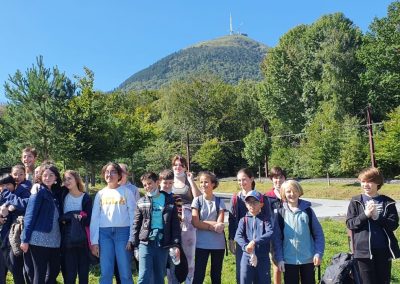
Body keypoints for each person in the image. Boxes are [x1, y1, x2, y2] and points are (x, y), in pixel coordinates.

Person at [346, 167, 400, 284]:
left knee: (383, 281)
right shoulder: (356, 201)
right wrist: (365, 215)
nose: (366, 184)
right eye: (363, 181)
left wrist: (377, 217)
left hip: (383, 250)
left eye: (369, 181)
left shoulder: (387, 202)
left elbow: (393, 225)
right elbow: (350, 223)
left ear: (378, 182)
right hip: (362, 252)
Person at [89, 162, 135, 284]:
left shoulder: (126, 192)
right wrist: (94, 241)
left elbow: (133, 217)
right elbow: (95, 218)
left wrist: (131, 238)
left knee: (125, 272)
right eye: (107, 172)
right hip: (104, 235)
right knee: (106, 272)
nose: (109, 174)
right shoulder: (100, 194)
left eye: (113, 172)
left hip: (123, 234)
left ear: (119, 175)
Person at [132, 172, 181, 284]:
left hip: (162, 243)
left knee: (159, 276)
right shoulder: (141, 202)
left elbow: (175, 226)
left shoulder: (169, 201)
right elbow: (136, 225)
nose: (147, 187)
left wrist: (175, 244)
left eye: (150, 183)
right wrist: (135, 246)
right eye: (144, 185)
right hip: (145, 243)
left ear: (157, 183)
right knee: (143, 276)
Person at [20, 164, 63, 284]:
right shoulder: (38, 191)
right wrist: (25, 239)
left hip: (55, 239)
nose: (47, 178)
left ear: (56, 178)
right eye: (45, 175)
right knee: (40, 273)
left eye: (51, 175)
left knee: (54, 271)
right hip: (38, 239)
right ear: (40, 177)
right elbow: (30, 216)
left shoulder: (55, 192)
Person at [228, 168, 272, 283]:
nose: (241, 183)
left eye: (244, 179)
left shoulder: (261, 198)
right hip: (243, 243)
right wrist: (231, 239)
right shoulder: (235, 198)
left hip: (260, 244)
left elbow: (268, 221)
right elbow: (232, 220)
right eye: (239, 180)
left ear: (251, 179)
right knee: (243, 274)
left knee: (261, 275)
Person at [277, 180, 325, 284]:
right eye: (288, 191)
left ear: (299, 192)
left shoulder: (308, 211)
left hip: (308, 259)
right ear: (283, 194)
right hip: (288, 260)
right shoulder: (281, 213)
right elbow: (277, 239)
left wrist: (318, 253)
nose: (292, 194)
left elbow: (318, 234)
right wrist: (280, 258)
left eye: (295, 191)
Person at [191, 171, 226, 284]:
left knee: (216, 275)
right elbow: (195, 222)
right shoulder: (197, 201)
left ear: (213, 184)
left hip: (218, 245)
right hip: (201, 244)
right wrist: (212, 226)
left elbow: (220, 225)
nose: (203, 185)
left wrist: (203, 223)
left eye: (206, 182)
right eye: (201, 182)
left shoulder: (219, 201)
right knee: (199, 275)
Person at [171, 155, 201, 283]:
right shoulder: (168, 181)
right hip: (172, 219)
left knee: (189, 253)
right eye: (176, 164)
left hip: (188, 221)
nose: (178, 167)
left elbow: (199, 198)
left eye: (181, 165)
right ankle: (174, 280)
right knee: (173, 252)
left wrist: (192, 181)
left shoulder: (188, 181)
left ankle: (189, 279)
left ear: (185, 167)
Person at [234, 191, 275, 284]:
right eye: (249, 202)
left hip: (262, 257)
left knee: (263, 281)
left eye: (255, 202)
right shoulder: (243, 220)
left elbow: (270, 233)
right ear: (245, 204)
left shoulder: (265, 219)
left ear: (261, 204)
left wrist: (254, 242)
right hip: (246, 256)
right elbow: (238, 236)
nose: (252, 205)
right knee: (245, 280)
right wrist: (246, 247)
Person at [60, 170, 92, 284]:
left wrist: (69, 217)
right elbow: (60, 218)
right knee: (69, 274)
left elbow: (88, 220)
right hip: (67, 240)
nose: (67, 181)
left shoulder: (86, 197)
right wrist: (76, 216)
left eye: (70, 178)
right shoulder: (63, 195)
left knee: (83, 274)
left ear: (76, 179)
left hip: (82, 240)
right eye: (65, 179)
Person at [265, 166, 286, 284]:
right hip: (274, 238)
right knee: (277, 267)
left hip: (290, 236)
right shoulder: (267, 197)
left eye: (280, 177)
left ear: (285, 178)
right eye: (275, 178)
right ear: (271, 179)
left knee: (291, 267)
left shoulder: (290, 194)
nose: (278, 180)